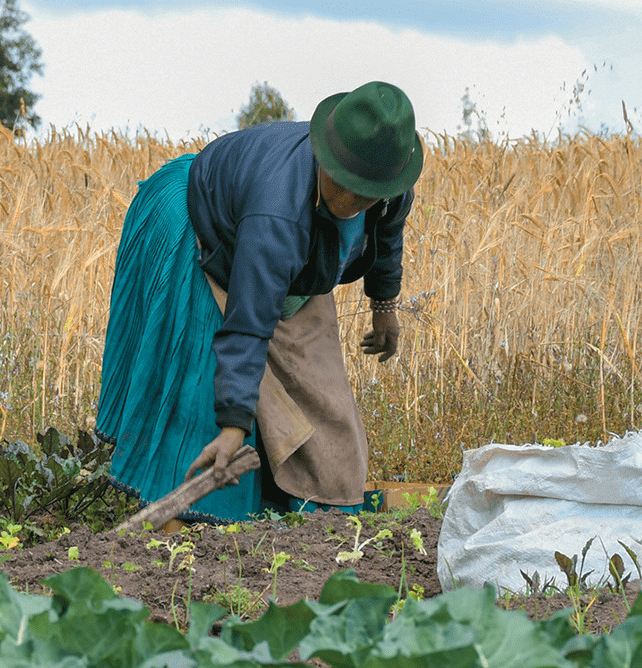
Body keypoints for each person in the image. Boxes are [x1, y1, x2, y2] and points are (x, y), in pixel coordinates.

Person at [95, 81, 424, 525]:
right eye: (347, 186)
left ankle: (306, 501)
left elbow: (387, 237)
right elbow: (248, 324)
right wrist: (233, 426)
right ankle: (181, 511)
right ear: (324, 159)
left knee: (324, 399)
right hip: (201, 228)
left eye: (369, 192)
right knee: (199, 386)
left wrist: (385, 307)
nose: (356, 202)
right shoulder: (277, 209)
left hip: (303, 263)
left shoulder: (388, 182)